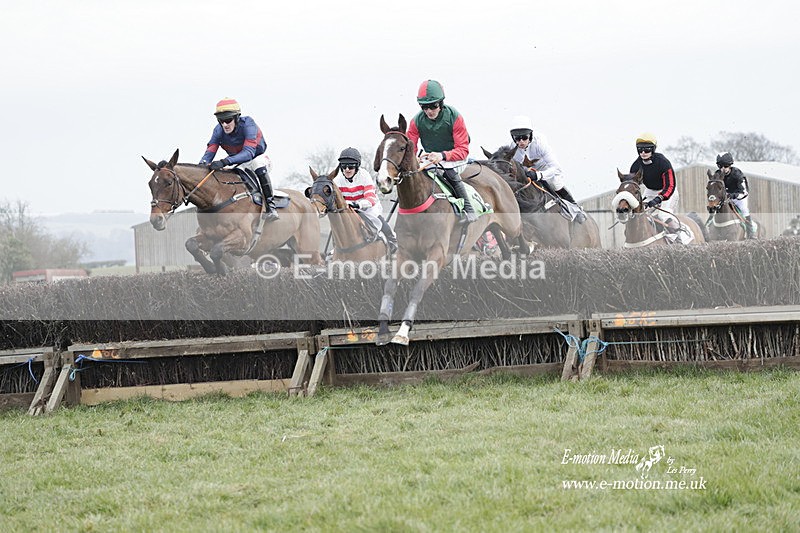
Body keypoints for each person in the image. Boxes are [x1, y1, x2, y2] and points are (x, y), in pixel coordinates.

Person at [407, 79, 477, 223]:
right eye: (424, 107)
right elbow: (410, 149)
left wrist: (443, 155)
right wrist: (414, 159)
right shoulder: (416, 121)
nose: (429, 111)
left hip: (455, 158)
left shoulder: (454, 117)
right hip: (431, 158)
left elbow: (463, 150)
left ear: (441, 103)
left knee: (448, 171)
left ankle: (469, 210)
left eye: (433, 106)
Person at [199, 98, 278, 221]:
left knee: (257, 163)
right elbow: (210, 150)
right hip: (239, 163)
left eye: (228, 120)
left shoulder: (248, 124)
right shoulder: (218, 130)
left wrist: (225, 161)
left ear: (236, 117)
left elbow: (248, 153)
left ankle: (271, 207)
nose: (224, 125)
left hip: (257, 157)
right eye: (221, 121)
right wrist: (201, 166)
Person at [509, 115, 586, 223]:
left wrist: (539, 175)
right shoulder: (512, 148)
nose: (521, 142)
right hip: (528, 171)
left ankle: (576, 209)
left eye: (524, 137)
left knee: (555, 183)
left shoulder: (540, 144)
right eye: (517, 138)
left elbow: (556, 168)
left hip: (545, 169)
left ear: (530, 135)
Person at [334, 147, 397, 253]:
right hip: (349, 209)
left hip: (368, 207)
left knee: (377, 218)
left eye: (351, 166)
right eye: (344, 166)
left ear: (357, 166)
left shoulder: (364, 176)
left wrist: (358, 205)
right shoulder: (338, 180)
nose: (347, 170)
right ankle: (336, 248)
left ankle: (392, 240)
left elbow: (370, 198)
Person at [629, 133, 683, 240]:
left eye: (647, 150)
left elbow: (670, 185)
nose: (643, 153)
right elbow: (632, 185)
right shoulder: (636, 166)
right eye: (640, 150)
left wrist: (659, 198)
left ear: (653, 149)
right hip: (650, 191)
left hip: (668, 192)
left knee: (663, 216)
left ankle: (678, 239)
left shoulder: (663, 163)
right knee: (639, 214)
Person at [716, 152, 756, 239]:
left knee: (744, 210)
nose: (723, 169)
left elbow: (744, 192)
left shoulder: (737, 174)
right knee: (715, 209)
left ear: (730, 165)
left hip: (738, 198)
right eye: (720, 166)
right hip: (724, 198)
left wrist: (732, 196)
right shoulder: (718, 174)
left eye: (725, 166)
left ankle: (750, 233)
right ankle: (709, 227)